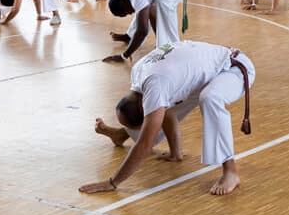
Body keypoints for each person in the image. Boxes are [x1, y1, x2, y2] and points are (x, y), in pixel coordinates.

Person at [83, 41, 254, 196]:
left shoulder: (156, 85)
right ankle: (124, 135)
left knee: (210, 98)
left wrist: (113, 182)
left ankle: (230, 171)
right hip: (207, 69)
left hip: (234, 68)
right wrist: (175, 152)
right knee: (164, 103)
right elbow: (165, 109)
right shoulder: (139, 74)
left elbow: (145, 144)